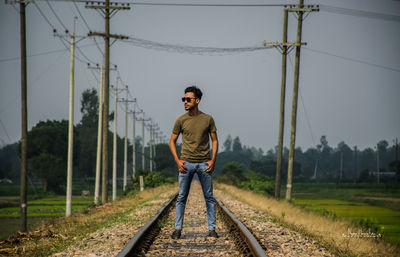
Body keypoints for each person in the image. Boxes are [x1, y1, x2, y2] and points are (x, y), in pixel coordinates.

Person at [169, 86, 219, 239]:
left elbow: (215, 140)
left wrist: (213, 160)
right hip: (186, 164)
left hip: (204, 163)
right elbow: (172, 141)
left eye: (188, 99)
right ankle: (177, 229)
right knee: (181, 197)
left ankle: (211, 229)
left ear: (197, 101)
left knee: (209, 197)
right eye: (184, 99)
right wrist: (178, 161)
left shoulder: (208, 119)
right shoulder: (181, 120)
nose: (185, 102)